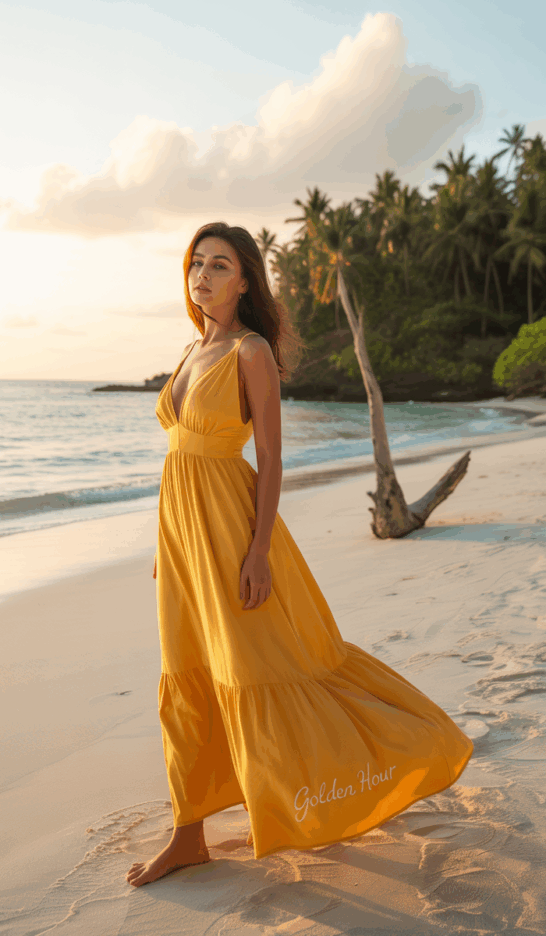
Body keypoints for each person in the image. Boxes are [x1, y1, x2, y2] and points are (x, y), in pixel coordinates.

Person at [126, 222, 473, 887]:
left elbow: (273, 459)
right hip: (184, 540)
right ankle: (189, 833)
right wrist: (167, 546)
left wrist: (258, 552)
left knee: (264, 667)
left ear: (246, 279)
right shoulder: (192, 349)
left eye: (219, 265)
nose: (202, 275)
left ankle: (379, 761)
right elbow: (180, 461)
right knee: (187, 672)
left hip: (233, 533)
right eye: (196, 263)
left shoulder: (250, 353)